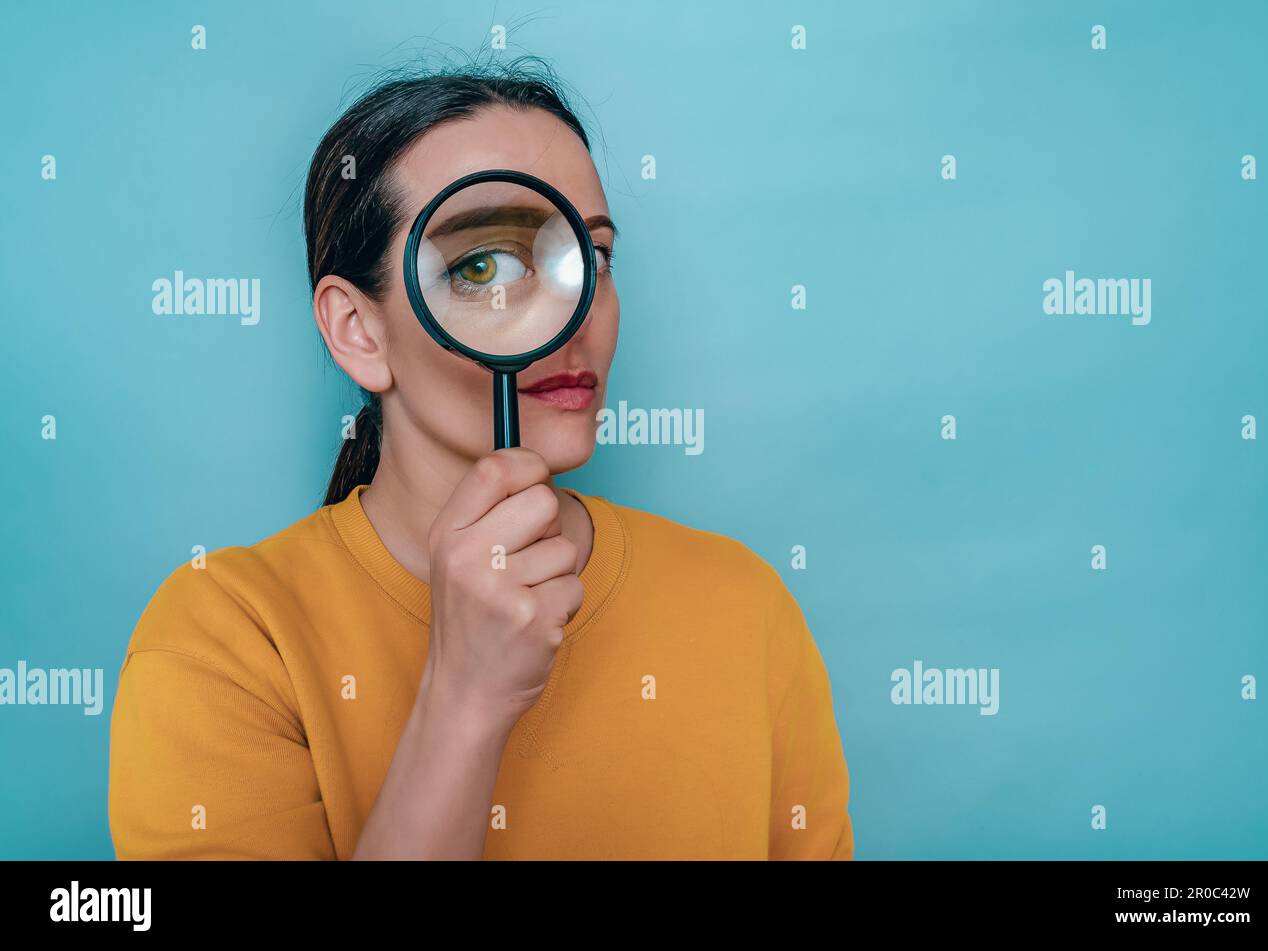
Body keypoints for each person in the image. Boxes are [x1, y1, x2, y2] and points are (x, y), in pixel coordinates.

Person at [107, 60, 854, 860]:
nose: (571, 322)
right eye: (482, 266)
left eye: (590, 258)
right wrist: (465, 697)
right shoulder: (227, 639)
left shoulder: (743, 604)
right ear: (358, 330)